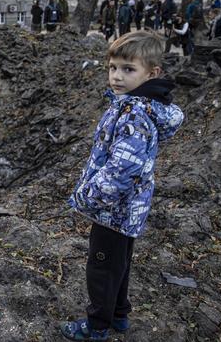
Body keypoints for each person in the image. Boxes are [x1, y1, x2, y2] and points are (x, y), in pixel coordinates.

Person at [60, 30, 184, 342]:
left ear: (151, 73)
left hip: (113, 210)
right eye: (113, 67)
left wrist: (89, 197)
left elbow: (122, 169)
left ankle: (97, 326)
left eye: (128, 70)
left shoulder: (134, 112)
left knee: (101, 268)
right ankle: (119, 314)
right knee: (119, 264)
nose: (117, 76)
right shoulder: (133, 105)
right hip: (127, 210)